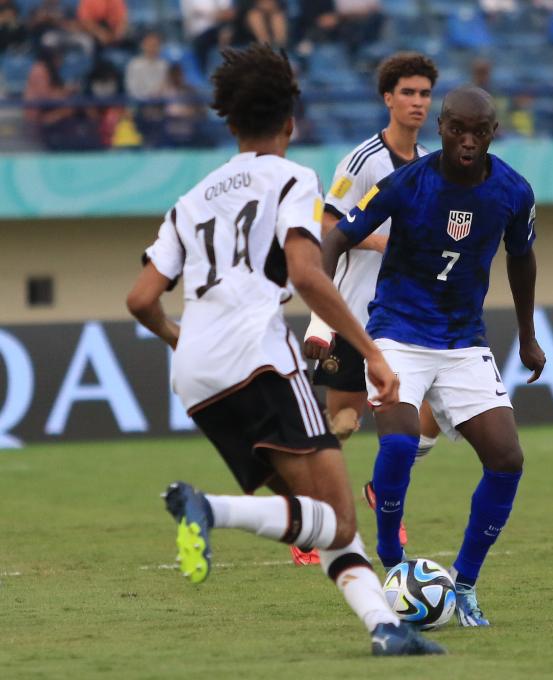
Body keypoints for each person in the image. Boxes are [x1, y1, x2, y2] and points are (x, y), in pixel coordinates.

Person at [124, 44, 443, 658]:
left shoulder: (190, 200)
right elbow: (306, 272)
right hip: (259, 360)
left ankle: (384, 627)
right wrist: (369, 350)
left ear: (230, 121)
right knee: (342, 517)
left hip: (196, 375)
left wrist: (182, 339)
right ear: (290, 122)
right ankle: (206, 508)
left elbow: (141, 299)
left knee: (314, 515)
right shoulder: (293, 178)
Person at [321, 86, 546, 628]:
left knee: (507, 460)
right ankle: (393, 568)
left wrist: (527, 333)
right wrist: (321, 312)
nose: (468, 142)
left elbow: (522, 259)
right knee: (398, 442)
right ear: (442, 128)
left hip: (464, 341)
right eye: (457, 130)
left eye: (479, 132)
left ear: (493, 132)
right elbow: (336, 238)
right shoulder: (406, 183)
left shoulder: (514, 191)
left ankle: (464, 586)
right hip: (398, 332)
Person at [297, 52, 443, 566]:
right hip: (355, 312)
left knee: (432, 416)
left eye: (425, 93)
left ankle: (383, 491)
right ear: (388, 98)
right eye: (408, 92)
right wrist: (383, 243)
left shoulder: (431, 165)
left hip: (408, 318)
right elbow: (326, 230)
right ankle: (311, 519)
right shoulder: (360, 162)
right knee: (343, 421)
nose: (418, 102)